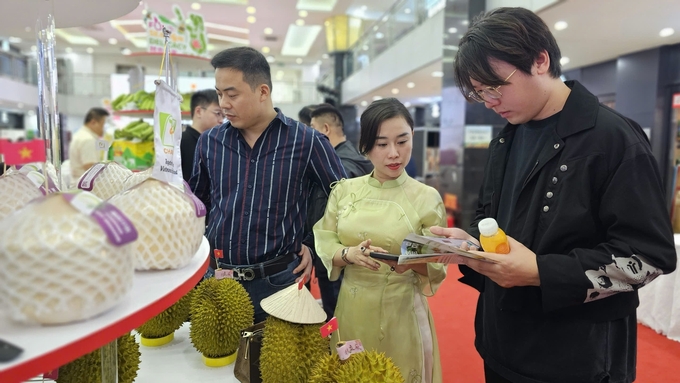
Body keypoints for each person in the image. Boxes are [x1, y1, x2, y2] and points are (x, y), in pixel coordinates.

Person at [431, 7, 677, 383]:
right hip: (501, 341)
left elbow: (649, 255)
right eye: (479, 93)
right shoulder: (508, 136)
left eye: (495, 87)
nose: (490, 101)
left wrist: (541, 273)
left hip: (577, 358)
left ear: (540, 60)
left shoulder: (612, 139)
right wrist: (472, 245)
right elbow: (496, 221)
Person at [189, 47, 347, 323]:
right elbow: (197, 205)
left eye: (232, 93)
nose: (223, 103)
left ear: (263, 91)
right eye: (219, 94)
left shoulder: (307, 142)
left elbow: (343, 200)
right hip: (219, 281)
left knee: (277, 365)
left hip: (281, 282)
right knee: (214, 363)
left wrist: (313, 244)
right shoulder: (209, 142)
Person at [314, 98, 447, 383]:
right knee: (349, 374)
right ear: (365, 146)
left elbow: (437, 265)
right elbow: (325, 242)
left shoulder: (426, 198)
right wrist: (349, 254)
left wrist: (410, 263)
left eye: (402, 141)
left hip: (402, 312)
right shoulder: (344, 191)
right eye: (382, 144)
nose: (394, 154)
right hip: (351, 306)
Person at [305, 103, 373, 319]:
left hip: (339, 252)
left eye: (312, 128)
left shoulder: (341, 163)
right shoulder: (346, 156)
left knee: (338, 313)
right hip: (339, 251)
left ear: (325, 129)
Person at [181, 89, 223, 182]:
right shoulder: (180, 141)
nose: (221, 120)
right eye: (218, 113)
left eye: (223, 116)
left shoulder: (215, 144)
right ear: (199, 111)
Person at [69, 107, 109, 181]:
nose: (103, 129)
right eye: (102, 125)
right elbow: (90, 168)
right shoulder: (88, 139)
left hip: (77, 183)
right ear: (93, 122)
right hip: (85, 185)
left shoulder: (80, 134)